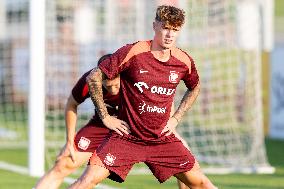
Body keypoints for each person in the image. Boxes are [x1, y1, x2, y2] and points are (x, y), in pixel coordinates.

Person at [68, 5, 217, 189]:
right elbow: (94, 77)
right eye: (166, 28)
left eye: (175, 30)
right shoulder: (134, 52)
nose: (170, 34)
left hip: (161, 139)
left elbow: (195, 87)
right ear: (155, 26)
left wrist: (176, 118)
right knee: (86, 181)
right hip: (126, 138)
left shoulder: (183, 61)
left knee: (202, 183)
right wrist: (105, 116)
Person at [34, 54, 130, 189]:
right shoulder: (89, 81)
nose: (113, 91)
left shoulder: (135, 79)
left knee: (89, 179)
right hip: (100, 126)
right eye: (108, 87)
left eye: (116, 85)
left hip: (128, 131)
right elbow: (71, 104)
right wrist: (69, 141)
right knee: (63, 165)